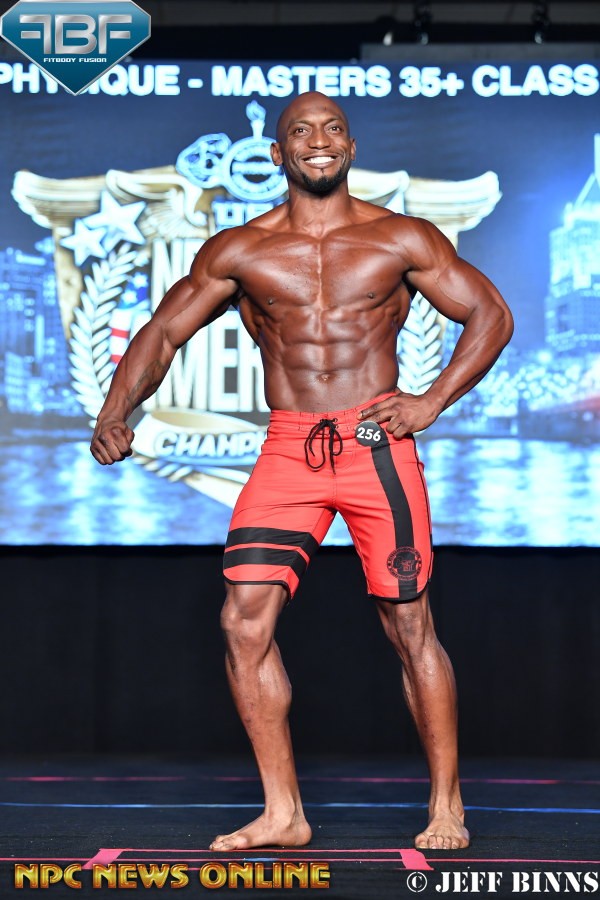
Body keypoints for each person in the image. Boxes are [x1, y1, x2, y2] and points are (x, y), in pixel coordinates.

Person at [91, 91, 513, 852]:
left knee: (409, 624)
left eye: (333, 129)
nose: (319, 141)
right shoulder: (239, 250)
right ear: (278, 153)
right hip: (289, 448)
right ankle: (283, 812)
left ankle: (446, 804)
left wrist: (431, 401)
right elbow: (163, 333)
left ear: (351, 146)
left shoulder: (401, 237)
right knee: (241, 621)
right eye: (301, 132)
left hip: (376, 445)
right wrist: (115, 411)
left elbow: (491, 314)